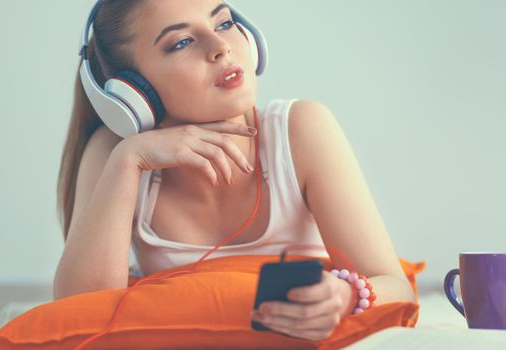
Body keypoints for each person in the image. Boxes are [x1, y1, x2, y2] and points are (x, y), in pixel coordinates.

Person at [55, 0, 415, 342]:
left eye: (224, 23)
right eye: (182, 42)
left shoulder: (301, 129)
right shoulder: (114, 153)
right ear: (132, 92)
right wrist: (128, 159)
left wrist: (345, 296)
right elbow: (77, 313)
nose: (220, 47)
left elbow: (396, 288)